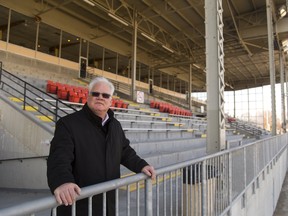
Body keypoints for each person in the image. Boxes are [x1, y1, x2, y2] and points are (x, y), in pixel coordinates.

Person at [47, 76, 156, 216]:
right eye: (95, 93)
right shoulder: (68, 124)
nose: (100, 97)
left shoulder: (115, 125)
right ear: (88, 96)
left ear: (111, 100)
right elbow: (59, 157)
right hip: (76, 206)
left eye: (105, 95)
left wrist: (142, 165)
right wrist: (62, 181)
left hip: (106, 205)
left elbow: (125, 151)